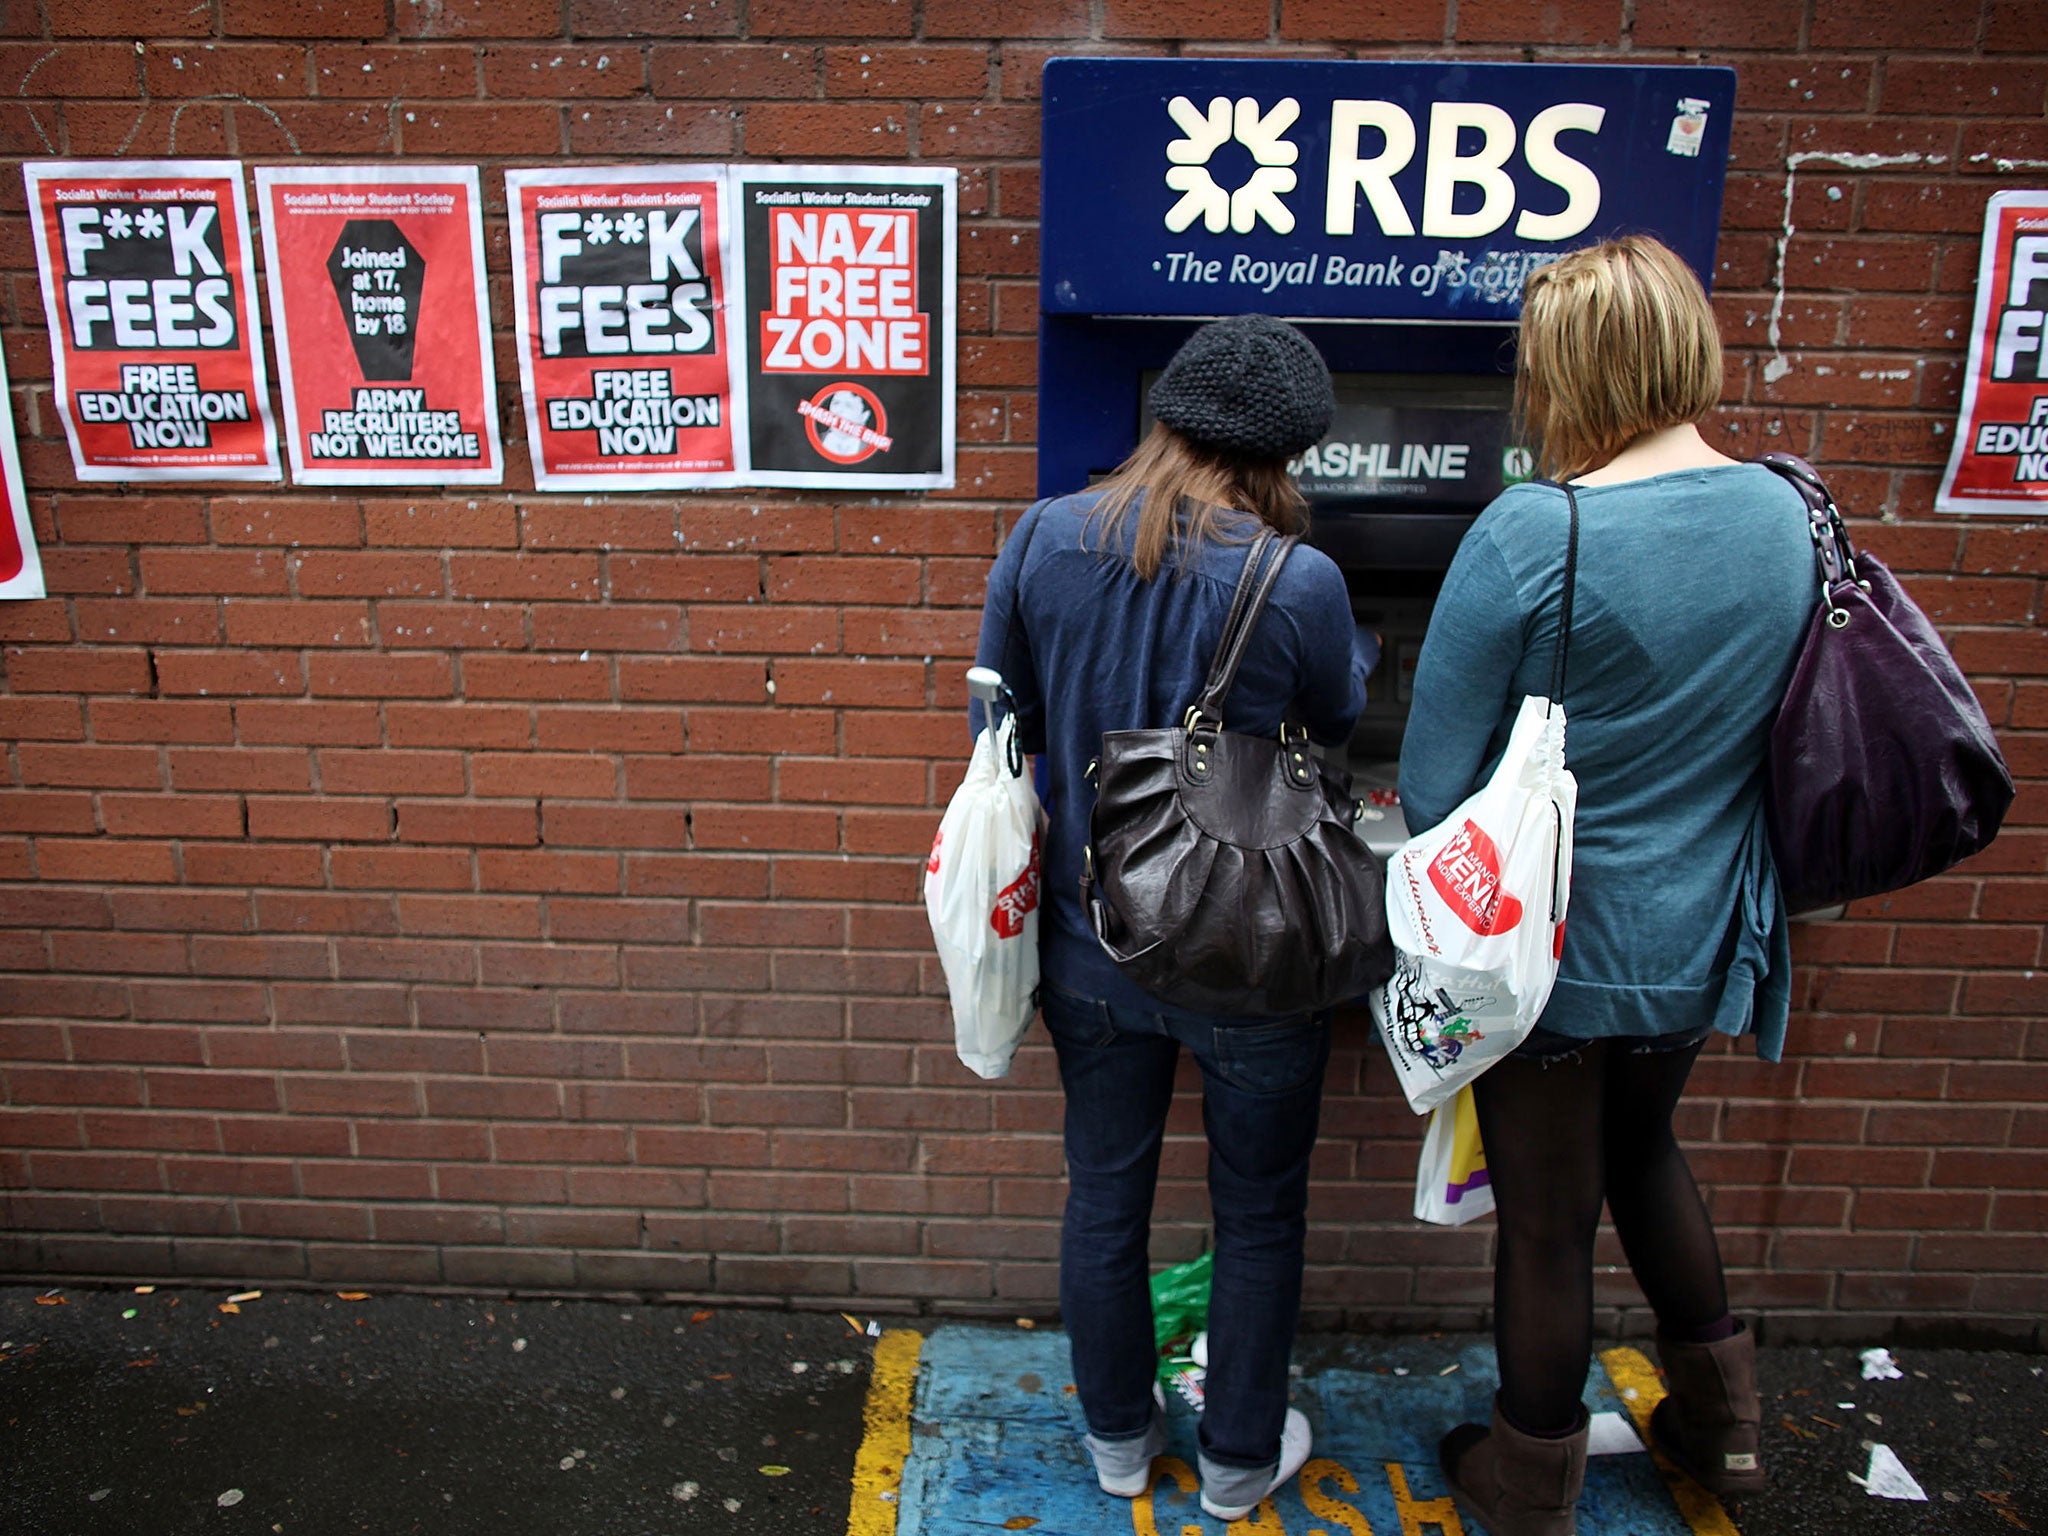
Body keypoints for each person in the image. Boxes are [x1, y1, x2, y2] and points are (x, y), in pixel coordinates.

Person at [1399, 237, 1813, 1536]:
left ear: (1564, 368)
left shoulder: (1539, 528)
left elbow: (1429, 782)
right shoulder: (1788, 512)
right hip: (1703, 936)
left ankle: (1526, 1480)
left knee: (1546, 1223)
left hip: (1557, 958)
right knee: (1647, 1152)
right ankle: (1723, 1429)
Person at [972, 314, 1373, 1520]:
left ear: (1167, 414)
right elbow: (1341, 715)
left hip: (1092, 945)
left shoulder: (1042, 537)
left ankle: (1113, 1440)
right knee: (1256, 1210)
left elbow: (1004, 729)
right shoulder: (1296, 579)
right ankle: (1240, 1461)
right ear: (1285, 453)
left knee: (1105, 1192)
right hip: (1251, 956)